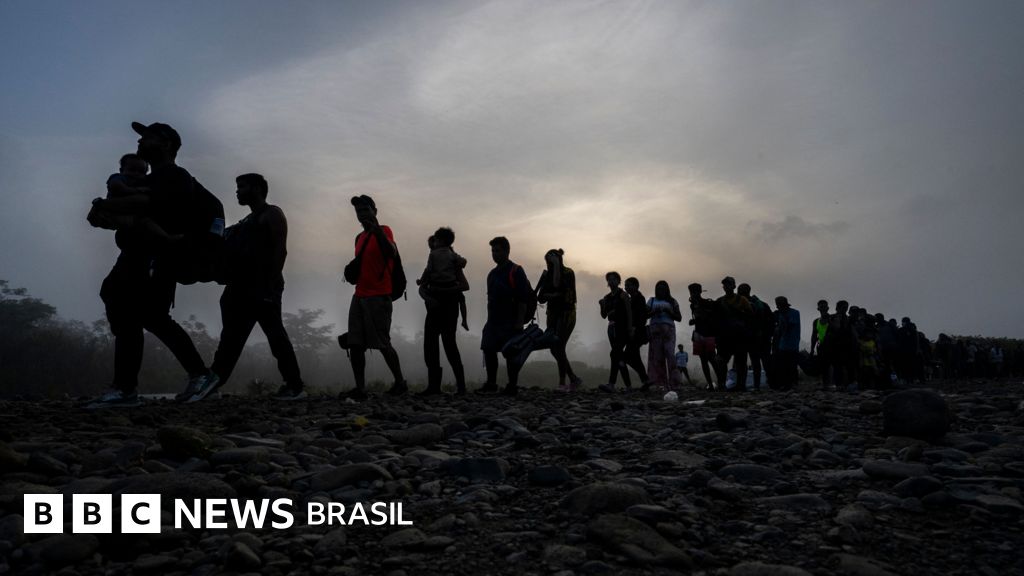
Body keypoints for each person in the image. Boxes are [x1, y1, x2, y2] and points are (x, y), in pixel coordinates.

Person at [85, 122, 214, 409]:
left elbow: (143, 204)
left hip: (155, 258)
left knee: (147, 316)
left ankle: (131, 388)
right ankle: (129, 387)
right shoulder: (154, 176)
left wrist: (105, 206)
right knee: (133, 311)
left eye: (148, 137)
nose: (141, 141)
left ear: (166, 144)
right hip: (137, 255)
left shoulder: (174, 176)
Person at [188, 173, 305, 402]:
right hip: (240, 287)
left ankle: (295, 386)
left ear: (258, 189)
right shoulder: (245, 222)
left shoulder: (272, 214)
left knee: (275, 337)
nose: (238, 191)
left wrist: (270, 288)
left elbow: (280, 251)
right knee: (231, 340)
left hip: (262, 288)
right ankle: (213, 385)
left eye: (242, 186)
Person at [341, 195, 406, 399]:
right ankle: (360, 388)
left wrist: (377, 231)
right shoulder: (359, 238)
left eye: (365, 210)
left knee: (383, 343)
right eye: (359, 212)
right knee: (355, 343)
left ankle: (400, 383)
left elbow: (391, 252)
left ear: (375, 211)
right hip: (359, 295)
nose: (362, 215)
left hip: (379, 296)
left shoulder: (385, 231)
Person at [479, 237, 534, 396]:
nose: (494, 254)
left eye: (497, 250)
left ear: (507, 251)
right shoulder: (492, 274)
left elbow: (523, 298)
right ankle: (491, 383)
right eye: (492, 251)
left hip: (511, 320)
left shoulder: (516, 270)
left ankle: (512, 385)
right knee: (488, 348)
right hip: (493, 321)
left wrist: (519, 322)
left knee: (511, 354)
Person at [418, 227, 468, 396]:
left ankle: (458, 386)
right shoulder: (451, 259)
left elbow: (464, 286)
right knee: (433, 344)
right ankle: (437, 387)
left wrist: (439, 293)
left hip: (445, 305)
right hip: (439, 305)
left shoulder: (443, 260)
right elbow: (423, 286)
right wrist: (429, 298)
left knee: (447, 344)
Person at [535, 249, 583, 391]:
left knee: (559, 345)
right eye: (548, 261)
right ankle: (573, 378)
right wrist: (553, 296)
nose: (549, 263)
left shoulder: (568, 273)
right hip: (552, 315)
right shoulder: (547, 275)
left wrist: (556, 265)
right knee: (553, 347)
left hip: (566, 315)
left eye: (552, 260)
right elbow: (541, 297)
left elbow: (557, 286)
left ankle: (563, 382)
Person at [715, 276, 752, 392]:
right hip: (724, 337)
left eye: (729, 284)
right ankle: (722, 384)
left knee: (741, 362)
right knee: (721, 361)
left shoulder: (742, 300)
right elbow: (715, 320)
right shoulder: (719, 301)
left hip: (740, 336)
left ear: (734, 286)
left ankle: (741, 385)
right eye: (725, 285)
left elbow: (751, 316)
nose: (727, 287)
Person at [598, 271, 634, 392]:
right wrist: (601, 305)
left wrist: (630, 328)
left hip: (622, 328)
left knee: (615, 354)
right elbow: (604, 315)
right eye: (609, 279)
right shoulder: (607, 298)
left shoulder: (623, 295)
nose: (611, 281)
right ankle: (628, 386)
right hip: (611, 328)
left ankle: (611, 384)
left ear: (619, 281)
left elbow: (629, 313)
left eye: (614, 279)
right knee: (618, 356)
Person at [645, 281, 683, 391]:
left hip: (669, 330)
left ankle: (674, 383)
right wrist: (653, 312)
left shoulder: (672, 301)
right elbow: (645, 315)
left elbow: (679, 317)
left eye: (663, 288)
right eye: (659, 288)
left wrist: (669, 311)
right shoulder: (651, 300)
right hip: (655, 330)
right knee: (657, 357)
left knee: (670, 355)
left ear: (667, 289)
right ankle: (660, 384)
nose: (661, 290)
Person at [738, 283, 775, 391]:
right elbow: (772, 320)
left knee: (756, 363)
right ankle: (771, 384)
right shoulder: (761, 304)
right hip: (763, 338)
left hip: (753, 338)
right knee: (765, 362)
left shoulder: (744, 305)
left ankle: (757, 386)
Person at [688, 283, 718, 390]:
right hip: (699, 334)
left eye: (695, 291)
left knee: (711, 359)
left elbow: (706, 318)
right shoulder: (693, 305)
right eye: (691, 292)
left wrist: (695, 320)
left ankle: (719, 382)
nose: (693, 294)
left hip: (707, 334)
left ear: (700, 291)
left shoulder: (707, 303)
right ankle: (711, 384)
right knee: (704, 360)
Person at [824, 300, 858, 393]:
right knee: (837, 366)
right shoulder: (833, 318)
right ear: (838, 308)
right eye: (843, 308)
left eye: (846, 308)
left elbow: (853, 333)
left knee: (849, 366)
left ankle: (849, 385)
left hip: (847, 346)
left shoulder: (848, 319)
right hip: (836, 346)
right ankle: (839, 385)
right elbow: (831, 331)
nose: (845, 309)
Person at [623, 277, 651, 386]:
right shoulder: (631, 299)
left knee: (626, 357)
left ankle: (645, 378)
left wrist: (635, 328)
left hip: (636, 332)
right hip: (633, 332)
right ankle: (645, 380)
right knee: (636, 357)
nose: (626, 287)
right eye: (625, 285)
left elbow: (642, 316)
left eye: (628, 285)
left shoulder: (639, 298)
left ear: (636, 286)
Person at [771, 296, 800, 390]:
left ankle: (792, 384)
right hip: (782, 344)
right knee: (783, 365)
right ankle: (784, 384)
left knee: (791, 365)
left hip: (792, 343)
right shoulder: (780, 314)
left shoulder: (794, 313)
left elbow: (788, 326)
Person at [810, 300, 831, 388]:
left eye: (824, 306)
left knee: (834, 366)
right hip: (821, 346)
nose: (822, 308)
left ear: (828, 308)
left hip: (832, 346)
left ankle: (835, 384)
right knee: (824, 366)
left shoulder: (832, 319)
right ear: (818, 308)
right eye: (821, 306)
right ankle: (826, 384)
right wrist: (812, 349)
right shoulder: (816, 321)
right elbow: (814, 336)